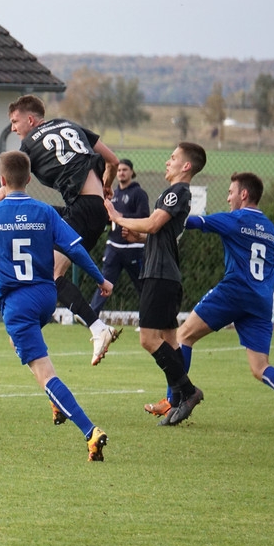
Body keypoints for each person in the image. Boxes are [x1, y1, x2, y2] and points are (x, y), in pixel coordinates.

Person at [0, 152, 113, 461]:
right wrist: (100, 279)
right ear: (29, 179)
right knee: (16, 340)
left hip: (17, 303)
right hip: (46, 297)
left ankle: (90, 432)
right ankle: (57, 402)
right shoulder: (45, 212)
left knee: (44, 373)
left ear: (2, 180)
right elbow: (75, 249)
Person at [171, 173, 274, 420]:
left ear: (244, 194)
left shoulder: (235, 219)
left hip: (234, 292)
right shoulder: (270, 229)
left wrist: (165, 215)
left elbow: (193, 222)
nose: (228, 198)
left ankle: (173, 401)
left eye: (231, 193)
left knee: (183, 335)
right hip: (260, 300)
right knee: (260, 367)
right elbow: (273, 268)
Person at [6, 95, 122, 365]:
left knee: (52, 273)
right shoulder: (69, 124)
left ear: (30, 120)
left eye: (15, 121)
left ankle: (97, 328)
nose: (13, 128)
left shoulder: (28, 145)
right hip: (89, 208)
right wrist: (106, 185)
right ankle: (32, 320)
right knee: (41, 227)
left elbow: (12, 185)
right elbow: (114, 161)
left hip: (82, 211)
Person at [104, 142, 207, 426]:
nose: (167, 162)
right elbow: (157, 232)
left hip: (159, 275)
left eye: (173, 158)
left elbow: (152, 224)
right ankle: (178, 400)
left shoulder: (177, 192)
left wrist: (117, 217)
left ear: (186, 166)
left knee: (148, 339)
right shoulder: (174, 193)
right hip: (165, 273)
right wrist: (140, 238)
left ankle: (188, 392)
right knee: (171, 341)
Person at [89, 158, 149, 315]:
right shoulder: (113, 194)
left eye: (125, 170)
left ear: (132, 172)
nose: (121, 173)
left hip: (134, 247)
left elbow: (144, 217)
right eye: (119, 170)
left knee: (142, 285)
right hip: (114, 246)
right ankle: (91, 315)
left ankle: (149, 318)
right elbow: (109, 218)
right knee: (104, 281)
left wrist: (121, 216)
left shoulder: (138, 193)